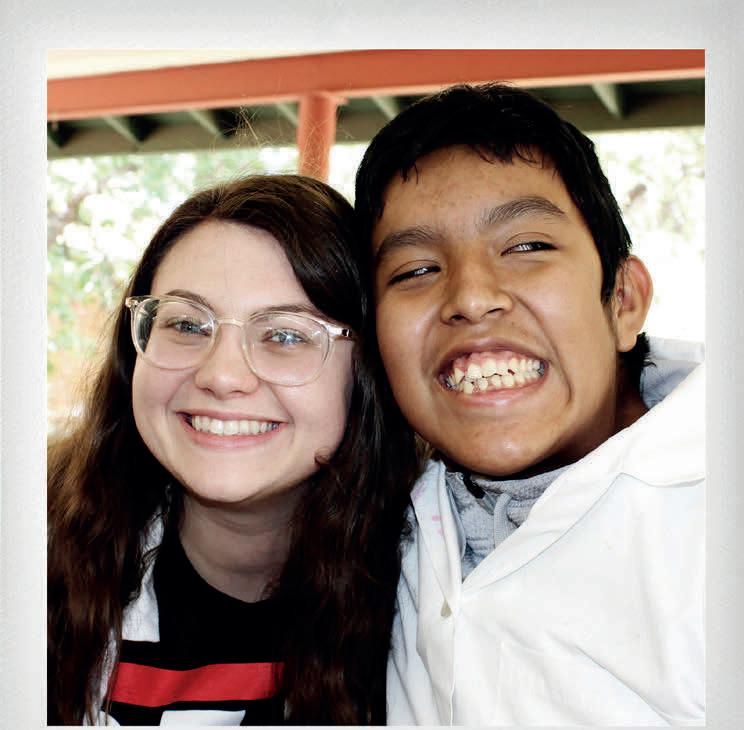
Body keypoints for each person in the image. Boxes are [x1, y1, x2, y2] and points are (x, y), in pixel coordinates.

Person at [354, 83, 704, 725]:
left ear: (623, 300)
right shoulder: (374, 528)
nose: (471, 296)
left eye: (526, 247)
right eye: (415, 271)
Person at [47, 174, 416, 725]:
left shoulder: (433, 593)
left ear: (367, 371)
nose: (222, 376)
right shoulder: (31, 550)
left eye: (286, 335)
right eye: (186, 324)